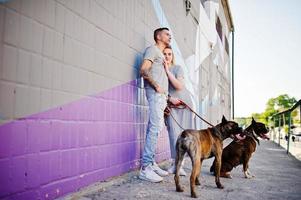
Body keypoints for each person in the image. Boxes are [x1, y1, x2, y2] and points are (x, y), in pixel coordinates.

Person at [139, 28, 180, 182]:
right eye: (167, 34)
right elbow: (143, 70)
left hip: (161, 97)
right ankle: (145, 169)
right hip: (155, 95)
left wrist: (167, 97)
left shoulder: (161, 56)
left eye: (170, 34)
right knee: (155, 129)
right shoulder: (152, 50)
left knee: (154, 129)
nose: (170, 36)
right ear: (158, 36)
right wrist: (156, 87)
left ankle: (150, 163)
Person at [163, 46, 196, 176]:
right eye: (164, 54)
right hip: (170, 105)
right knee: (173, 134)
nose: (167, 56)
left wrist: (167, 70)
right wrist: (168, 99)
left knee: (184, 136)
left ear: (172, 56)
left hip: (184, 105)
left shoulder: (177, 69)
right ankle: (174, 163)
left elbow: (179, 86)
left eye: (169, 54)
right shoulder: (159, 70)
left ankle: (180, 165)